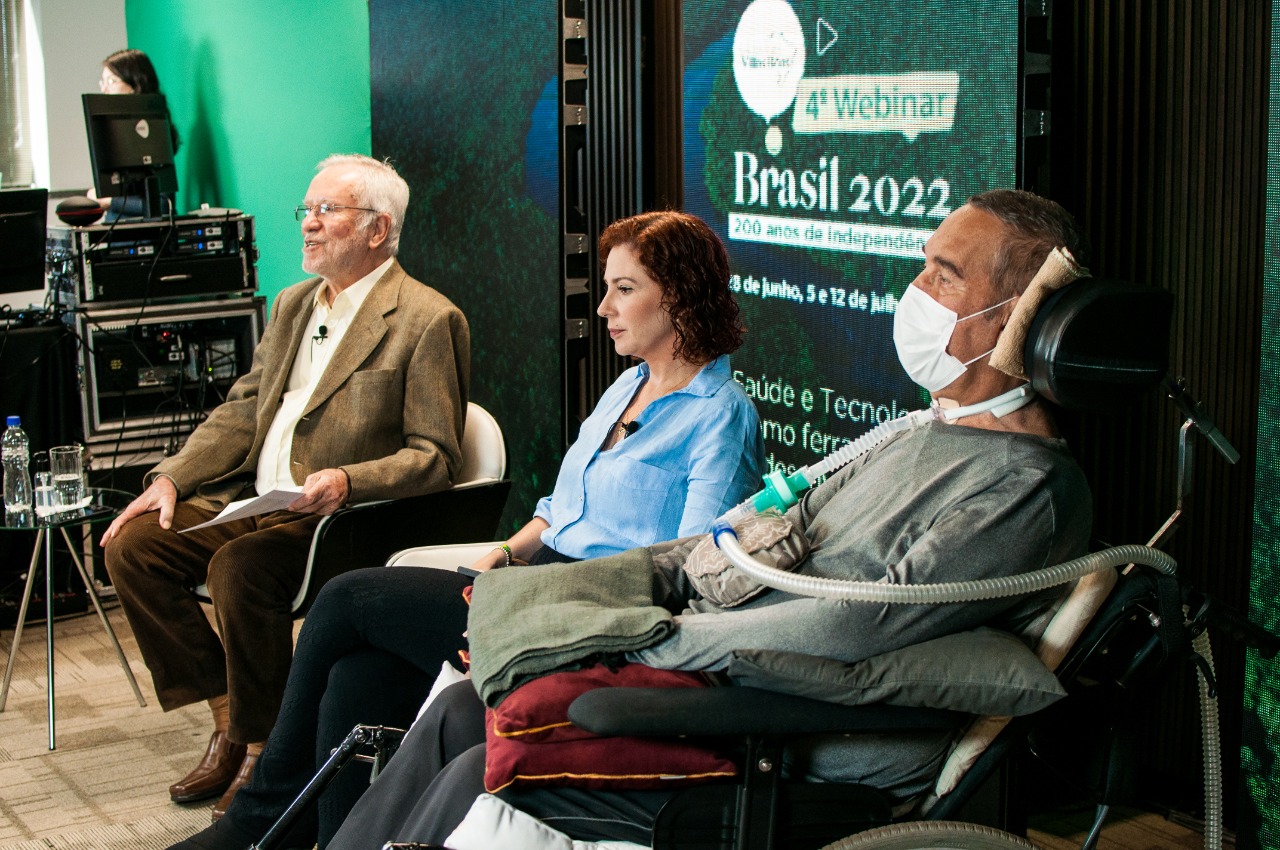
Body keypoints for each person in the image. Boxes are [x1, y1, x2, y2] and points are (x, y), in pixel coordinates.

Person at [320, 189, 1097, 849]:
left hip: (783, 737)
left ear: (1023, 315)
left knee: (485, 761)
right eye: (923, 265)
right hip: (723, 675)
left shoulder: (1028, 487)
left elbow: (859, 625)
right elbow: (739, 533)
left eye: (945, 275)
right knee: (462, 709)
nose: (916, 290)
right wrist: (592, 602)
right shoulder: (920, 433)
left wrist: (653, 643)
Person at [167, 210, 765, 850]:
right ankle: (325, 836)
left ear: (678, 298)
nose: (603, 309)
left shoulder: (720, 416)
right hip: (533, 583)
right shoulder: (627, 385)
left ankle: (257, 821)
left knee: (342, 598)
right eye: (606, 288)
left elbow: (687, 569)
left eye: (624, 289)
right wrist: (501, 555)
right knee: (359, 676)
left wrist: (536, 598)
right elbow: (559, 510)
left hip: (590, 615)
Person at [102, 154, 469, 817]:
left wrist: (349, 480)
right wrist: (173, 477)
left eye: (328, 210)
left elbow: (435, 457)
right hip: (252, 500)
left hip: (338, 519)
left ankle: (268, 750)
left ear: (378, 229)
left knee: (239, 567)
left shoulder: (427, 318)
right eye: (307, 209)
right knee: (133, 546)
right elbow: (245, 409)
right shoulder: (293, 303)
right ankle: (229, 718)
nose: (309, 223)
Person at [91, 48, 181, 217]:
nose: (104, 90)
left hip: (148, 231)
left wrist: (110, 201)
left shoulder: (152, 132)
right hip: (116, 229)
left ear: (135, 85)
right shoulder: (113, 132)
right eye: (103, 82)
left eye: (112, 81)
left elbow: (162, 204)